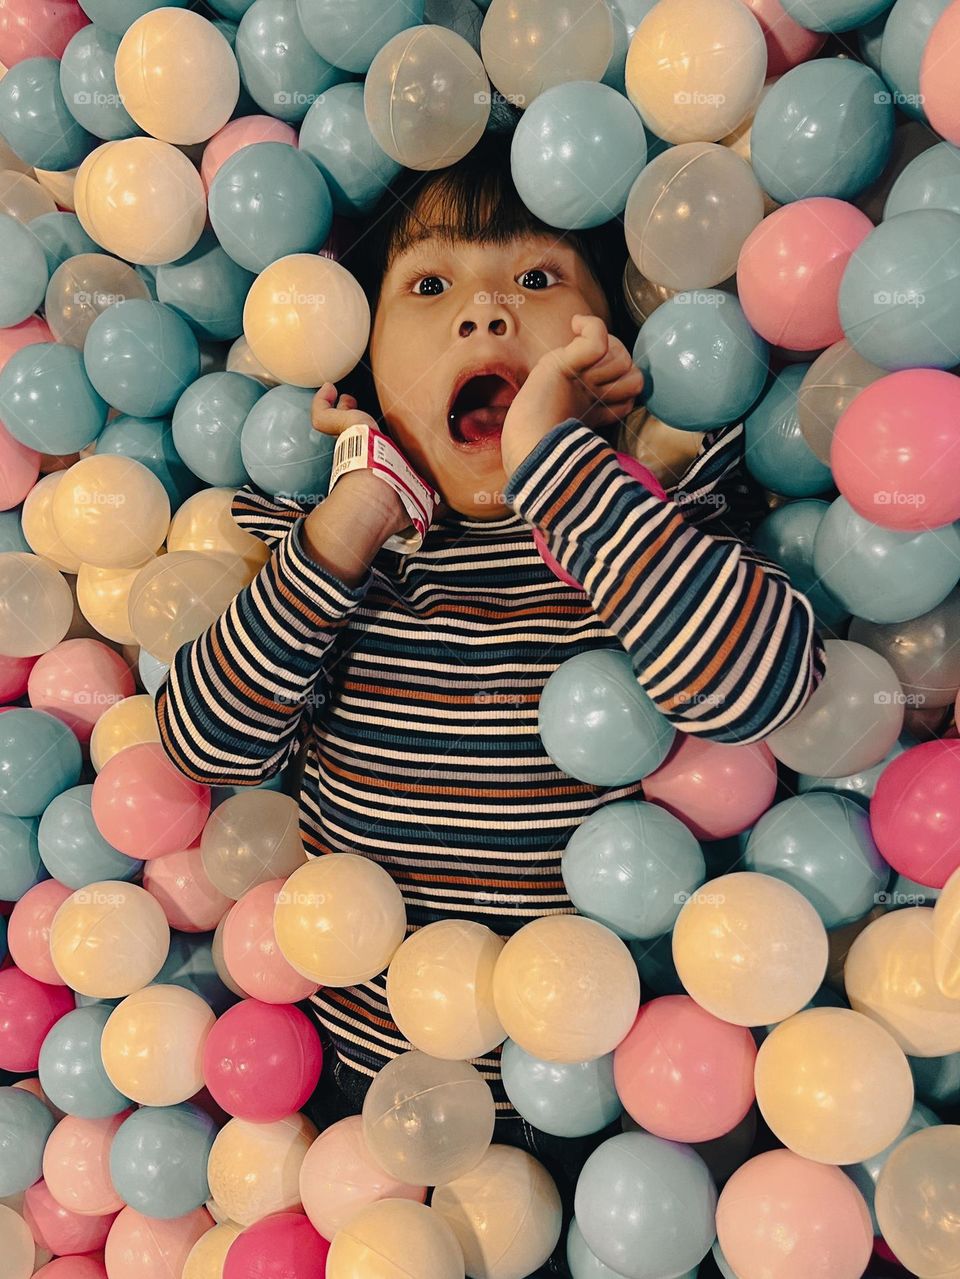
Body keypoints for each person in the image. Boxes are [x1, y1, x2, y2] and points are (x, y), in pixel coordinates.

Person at [156, 130, 827, 1275]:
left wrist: (563, 464)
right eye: (429, 287)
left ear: (609, 345)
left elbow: (758, 682)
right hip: (369, 1112)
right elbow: (204, 739)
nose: (483, 316)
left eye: (536, 279)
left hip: (615, 1119)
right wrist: (357, 514)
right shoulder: (339, 562)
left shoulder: (645, 524)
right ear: (361, 363)